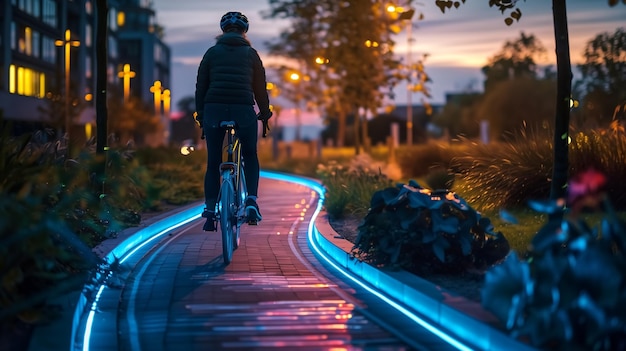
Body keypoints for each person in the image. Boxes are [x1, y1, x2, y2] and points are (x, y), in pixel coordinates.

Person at [194, 11, 272, 231]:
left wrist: (201, 113)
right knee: (249, 154)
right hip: (243, 111)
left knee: (213, 161)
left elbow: (201, 86)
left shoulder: (211, 53)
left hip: (214, 110)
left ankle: (210, 210)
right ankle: (251, 202)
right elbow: (259, 88)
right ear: (244, 32)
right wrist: (264, 113)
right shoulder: (251, 54)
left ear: (223, 31)